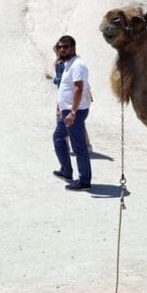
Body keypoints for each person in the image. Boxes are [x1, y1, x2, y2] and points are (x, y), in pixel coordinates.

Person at [51, 35, 92, 190]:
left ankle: (84, 181)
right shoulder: (68, 63)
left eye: (66, 46)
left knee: (79, 146)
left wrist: (73, 112)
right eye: (60, 47)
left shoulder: (78, 65)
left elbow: (78, 88)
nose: (62, 49)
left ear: (73, 47)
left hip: (74, 111)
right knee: (58, 137)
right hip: (66, 110)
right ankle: (66, 171)